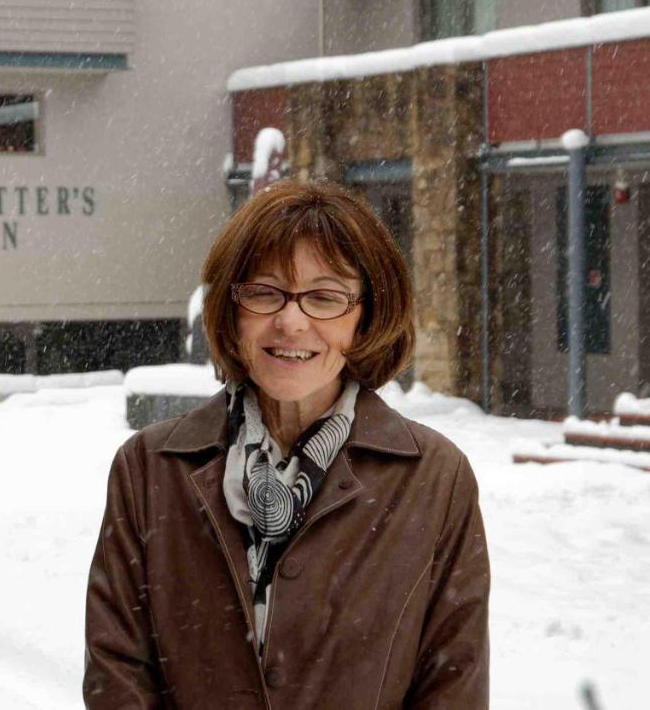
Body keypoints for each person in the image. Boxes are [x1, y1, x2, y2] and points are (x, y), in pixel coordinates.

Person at [83, 180, 489, 709]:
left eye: (324, 296)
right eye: (265, 292)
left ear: (366, 315)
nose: (291, 321)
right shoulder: (150, 469)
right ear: (233, 308)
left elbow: (452, 685)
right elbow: (118, 677)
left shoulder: (434, 478)